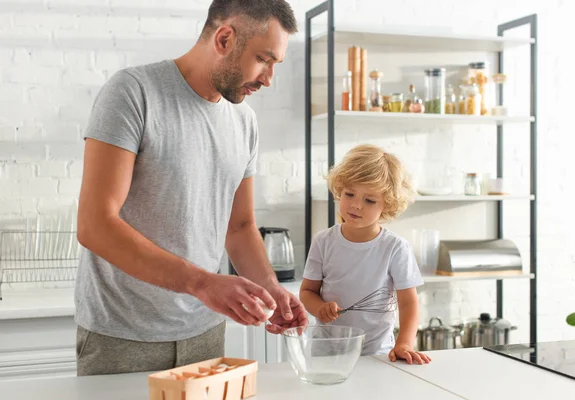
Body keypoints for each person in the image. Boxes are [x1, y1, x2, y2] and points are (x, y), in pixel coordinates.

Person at [75, 0, 308, 376]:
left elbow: (240, 228)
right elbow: (95, 225)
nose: (268, 79)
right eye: (264, 59)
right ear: (225, 38)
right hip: (123, 335)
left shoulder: (244, 122)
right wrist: (203, 283)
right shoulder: (134, 93)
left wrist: (271, 289)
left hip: (205, 332)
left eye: (274, 65)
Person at [300, 144, 431, 365]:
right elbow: (307, 291)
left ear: (387, 205)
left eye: (369, 200)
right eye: (349, 194)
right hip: (327, 352)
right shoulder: (323, 241)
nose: (356, 205)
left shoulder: (395, 248)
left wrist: (404, 343)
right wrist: (319, 308)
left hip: (377, 353)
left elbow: (409, 303)